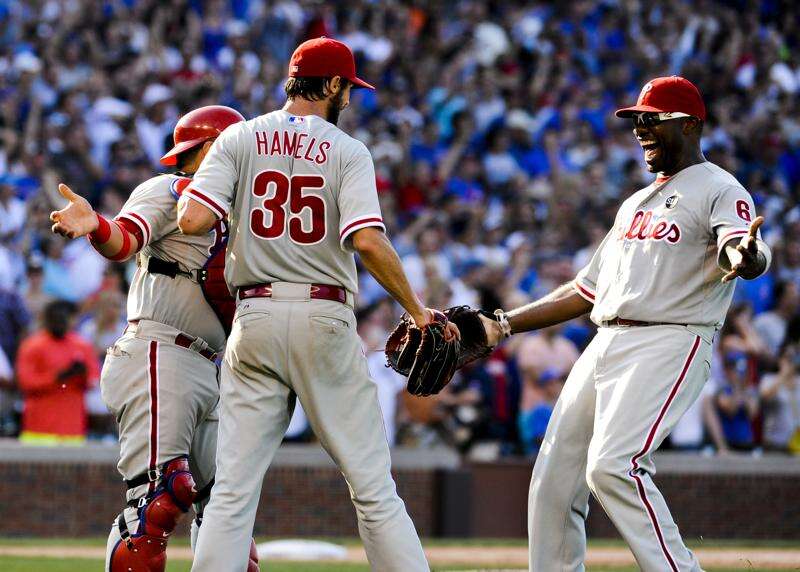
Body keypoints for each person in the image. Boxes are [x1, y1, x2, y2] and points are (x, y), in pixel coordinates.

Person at [177, 37, 456, 572]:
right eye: (347, 86)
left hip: (253, 316)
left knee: (233, 493)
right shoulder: (348, 150)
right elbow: (368, 241)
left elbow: (192, 220)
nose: (349, 96)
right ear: (330, 85)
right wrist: (419, 310)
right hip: (321, 313)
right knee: (372, 487)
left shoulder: (238, 137)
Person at [478, 77, 771, 571]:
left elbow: (743, 246)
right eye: (637, 120)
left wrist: (746, 256)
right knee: (554, 477)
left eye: (653, 119)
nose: (641, 129)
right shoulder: (634, 203)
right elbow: (583, 291)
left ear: (692, 124)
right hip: (607, 337)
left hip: (669, 337)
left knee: (614, 466)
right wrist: (502, 324)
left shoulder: (720, 187)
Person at [49, 106, 257, 572]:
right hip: (161, 351)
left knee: (230, 512)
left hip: (213, 365)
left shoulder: (242, 210)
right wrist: (95, 226)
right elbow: (125, 240)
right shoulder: (169, 190)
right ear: (210, 149)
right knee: (159, 496)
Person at [15, 300, 99, 444]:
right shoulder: (32, 345)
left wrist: (82, 374)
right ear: (46, 320)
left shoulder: (82, 345)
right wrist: (58, 377)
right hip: (38, 430)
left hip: (72, 428)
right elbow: (25, 382)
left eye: (62, 318)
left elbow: (94, 381)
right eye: (55, 318)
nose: (59, 322)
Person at [760, 343, 800, 452]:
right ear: (780, 359)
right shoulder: (769, 379)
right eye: (788, 357)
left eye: (794, 357)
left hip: (796, 448)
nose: (791, 362)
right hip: (774, 446)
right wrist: (783, 375)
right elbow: (765, 397)